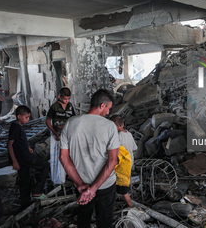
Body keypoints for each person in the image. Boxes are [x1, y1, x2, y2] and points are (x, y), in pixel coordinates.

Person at [60, 89, 119, 228]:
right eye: (108, 108)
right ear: (102, 105)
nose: (108, 113)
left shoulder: (70, 123)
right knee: (104, 221)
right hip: (105, 185)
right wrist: (93, 189)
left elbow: (63, 158)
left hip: (82, 184)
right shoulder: (110, 126)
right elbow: (112, 161)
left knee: (83, 219)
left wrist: (80, 184)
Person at [7, 106, 49, 209]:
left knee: (24, 180)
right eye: (26, 117)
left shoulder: (17, 126)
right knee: (45, 165)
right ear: (19, 116)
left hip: (22, 157)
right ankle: (37, 191)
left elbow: (19, 141)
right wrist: (14, 161)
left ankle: (25, 204)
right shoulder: (15, 127)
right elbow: (10, 144)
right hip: (23, 158)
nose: (28, 119)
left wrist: (27, 147)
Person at [46, 87, 76, 185]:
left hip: (68, 135)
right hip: (57, 136)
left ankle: (68, 175)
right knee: (58, 157)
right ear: (59, 96)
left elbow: (74, 119)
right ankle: (58, 178)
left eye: (68, 99)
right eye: (64, 99)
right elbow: (47, 121)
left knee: (69, 156)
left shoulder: (70, 106)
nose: (66, 101)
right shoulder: (54, 107)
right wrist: (55, 133)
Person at [110, 115, 137, 207]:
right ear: (123, 124)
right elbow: (135, 149)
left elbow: (115, 152)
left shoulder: (117, 136)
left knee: (121, 187)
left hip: (122, 165)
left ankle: (130, 206)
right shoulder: (128, 134)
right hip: (130, 162)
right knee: (125, 184)